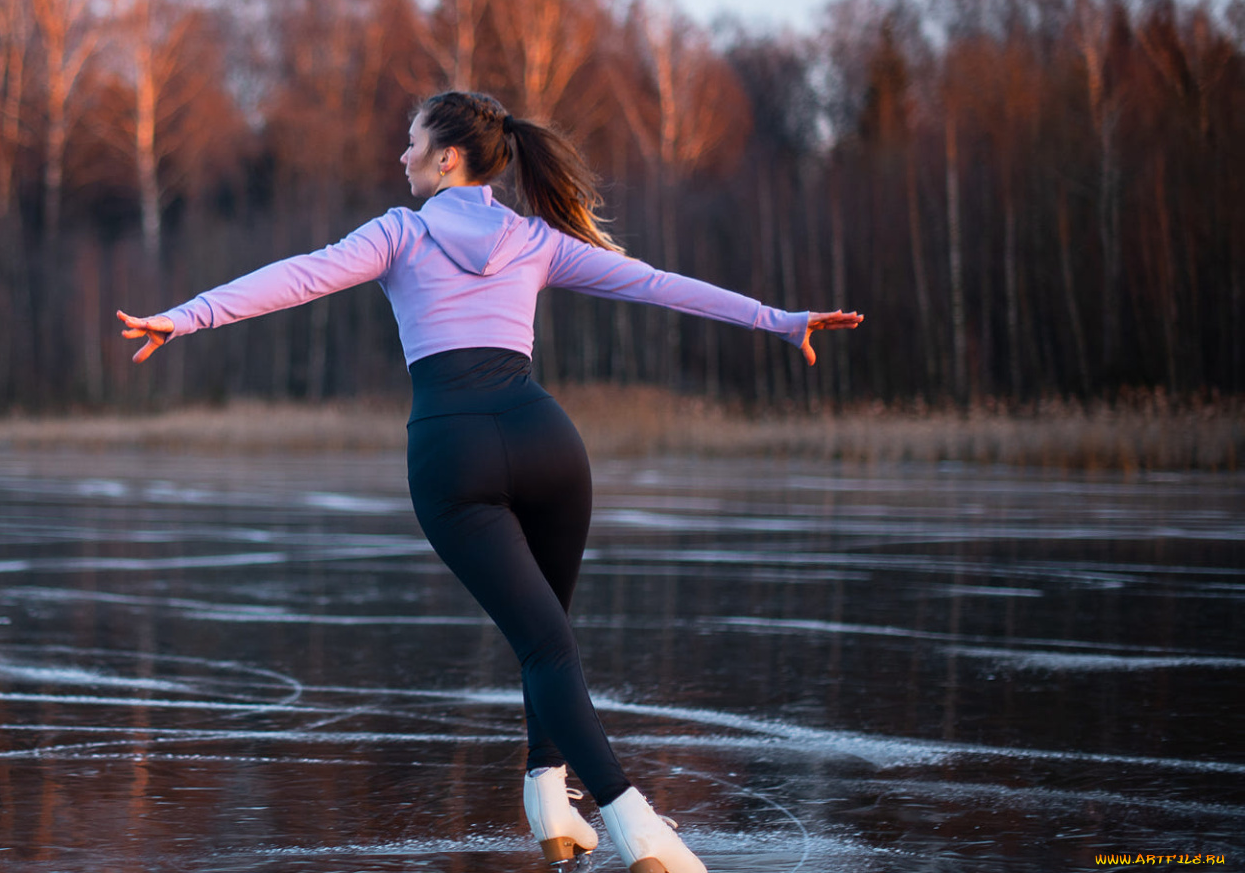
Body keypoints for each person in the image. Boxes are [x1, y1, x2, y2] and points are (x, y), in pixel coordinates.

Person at [117, 90, 863, 872]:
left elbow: (300, 277)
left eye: (410, 143)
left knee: (545, 645)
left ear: (447, 158)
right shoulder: (534, 239)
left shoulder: (400, 234)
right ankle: (547, 790)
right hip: (547, 443)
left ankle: (634, 822)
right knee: (549, 641)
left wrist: (188, 315)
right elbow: (654, 282)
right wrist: (779, 320)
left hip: (452, 454)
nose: (400, 157)